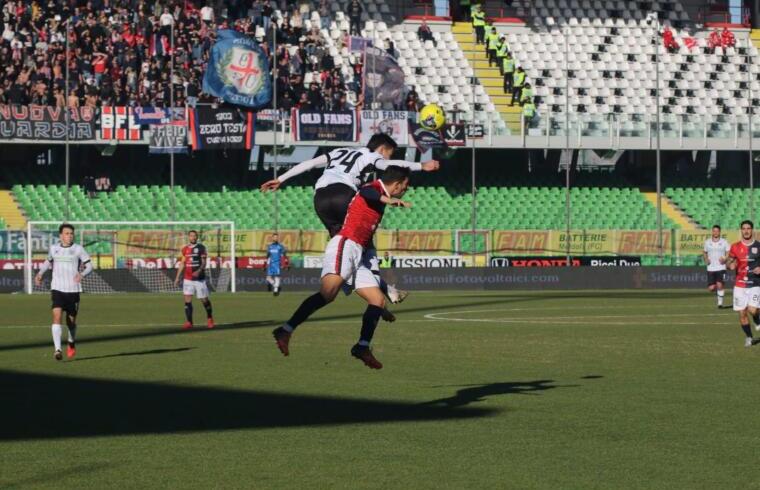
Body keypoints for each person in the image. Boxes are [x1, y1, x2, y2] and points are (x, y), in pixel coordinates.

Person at [259, 134, 439, 314]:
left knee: (344, 243)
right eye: (389, 153)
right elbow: (390, 166)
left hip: (320, 198)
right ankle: (384, 289)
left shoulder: (339, 151)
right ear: (383, 149)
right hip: (344, 194)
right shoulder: (372, 156)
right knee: (362, 239)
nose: (388, 157)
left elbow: (310, 163)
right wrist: (421, 166)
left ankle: (357, 283)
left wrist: (281, 179)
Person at [272, 166, 413, 369]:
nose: (406, 190)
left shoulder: (379, 195)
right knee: (328, 293)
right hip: (346, 245)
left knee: (378, 300)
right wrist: (388, 200)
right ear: (398, 184)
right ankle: (285, 329)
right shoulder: (373, 188)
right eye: (406, 186)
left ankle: (362, 346)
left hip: (359, 252)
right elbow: (366, 192)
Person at [34, 223, 93, 361]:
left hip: (73, 290)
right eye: (67, 233)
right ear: (60, 235)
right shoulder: (54, 248)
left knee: (71, 322)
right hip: (57, 289)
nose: (70, 235)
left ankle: (71, 341)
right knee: (56, 317)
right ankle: (58, 349)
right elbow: (48, 262)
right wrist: (40, 273)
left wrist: (82, 274)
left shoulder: (78, 249)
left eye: (71, 233)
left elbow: (90, 266)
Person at [726, 220, 760, 347]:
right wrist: (730, 265)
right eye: (744, 228)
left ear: (752, 230)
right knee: (742, 313)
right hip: (739, 284)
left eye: (748, 228)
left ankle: (757, 320)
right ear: (741, 230)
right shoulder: (735, 246)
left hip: (755, 283)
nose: (746, 231)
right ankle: (749, 338)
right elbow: (729, 262)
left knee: (752, 309)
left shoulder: (758, 246)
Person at [174, 230, 215, 330]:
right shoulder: (184, 249)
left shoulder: (201, 247)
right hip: (187, 279)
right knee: (187, 300)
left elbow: (204, 262)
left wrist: (199, 270)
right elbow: (183, 263)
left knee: (204, 300)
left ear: (197, 237)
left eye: (194, 236)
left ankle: (209, 318)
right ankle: (189, 322)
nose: (193, 237)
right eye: (191, 236)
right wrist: (177, 277)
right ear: (188, 237)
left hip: (199, 279)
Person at [703, 224, 730, 308]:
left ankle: (720, 303)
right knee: (711, 288)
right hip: (711, 267)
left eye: (717, 231)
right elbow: (704, 252)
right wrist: (706, 259)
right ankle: (719, 291)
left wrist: (725, 258)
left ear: (719, 232)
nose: (715, 232)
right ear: (712, 232)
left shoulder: (724, 242)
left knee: (720, 285)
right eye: (714, 231)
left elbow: (728, 251)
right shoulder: (707, 242)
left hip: (721, 267)